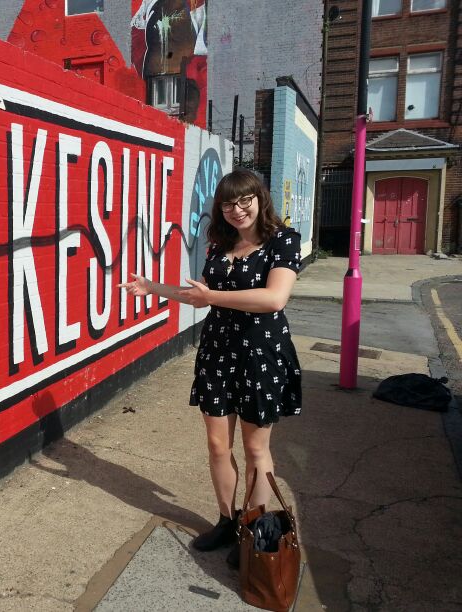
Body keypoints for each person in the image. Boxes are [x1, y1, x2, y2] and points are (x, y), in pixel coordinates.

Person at [119, 168, 302, 569]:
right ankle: (226, 520)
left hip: (260, 355)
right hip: (218, 352)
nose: (237, 210)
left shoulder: (283, 240)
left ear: (260, 198)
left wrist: (213, 298)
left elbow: (274, 298)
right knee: (218, 446)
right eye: (228, 203)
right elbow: (197, 294)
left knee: (256, 449)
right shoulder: (221, 245)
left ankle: (253, 529)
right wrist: (151, 287)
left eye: (244, 200)